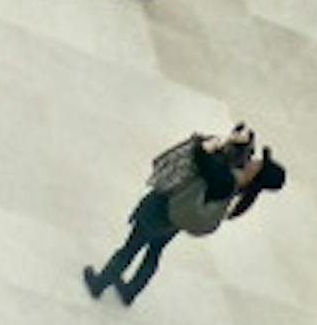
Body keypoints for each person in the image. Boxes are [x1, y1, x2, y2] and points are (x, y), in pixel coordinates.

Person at [83, 126, 284, 303]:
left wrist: (226, 140)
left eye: (258, 164)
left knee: (130, 248)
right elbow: (230, 158)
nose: (254, 161)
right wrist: (239, 141)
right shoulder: (238, 188)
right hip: (175, 219)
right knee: (154, 252)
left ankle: (100, 283)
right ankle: (131, 291)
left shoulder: (225, 181)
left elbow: (202, 152)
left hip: (161, 209)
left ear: (257, 175)